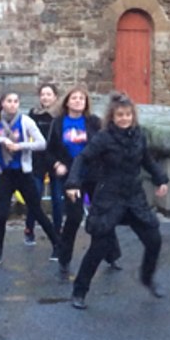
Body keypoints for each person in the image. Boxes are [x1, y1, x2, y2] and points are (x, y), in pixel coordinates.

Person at [65, 92, 168, 310]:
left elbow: (147, 160)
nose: (124, 119)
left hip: (133, 196)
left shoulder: (139, 136)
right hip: (109, 197)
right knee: (99, 247)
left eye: (128, 115)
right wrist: (73, 182)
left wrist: (161, 178)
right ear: (112, 117)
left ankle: (147, 277)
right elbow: (82, 158)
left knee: (154, 239)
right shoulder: (104, 138)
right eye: (120, 115)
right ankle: (79, 291)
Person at [49, 87, 121, 276]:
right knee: (74, 217)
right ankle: (64, 258)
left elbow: (106, 144)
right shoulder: (58, 123)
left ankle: (112, 255)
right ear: (67, 102)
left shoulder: (94, 122)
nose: (78, 101)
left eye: (82, 98)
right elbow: (49, 150)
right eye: (74, 98)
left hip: (94, 174)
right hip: (71, 176)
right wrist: (57, 164)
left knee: (102, 213)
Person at [0, 91, 58, 265]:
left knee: (36, 210)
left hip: (23, 173)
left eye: (16, 101)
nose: (12, 104)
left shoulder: (25, 121)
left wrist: (20, 146)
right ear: (2, 103)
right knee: (1, 214)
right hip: (4, 173)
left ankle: (57, 243)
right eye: (9, 101)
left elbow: (41, 143)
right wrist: (2, 140)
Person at [26, 83, 61, 244]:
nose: (45, 97)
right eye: (43, 94)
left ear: (55, 97)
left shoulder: (60, 115)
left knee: (56, 197)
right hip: (38, 159)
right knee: (35, 196)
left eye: (49, 94)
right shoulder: (33, 114)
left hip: (55, 160)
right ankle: (29, 229)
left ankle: (57, 231)